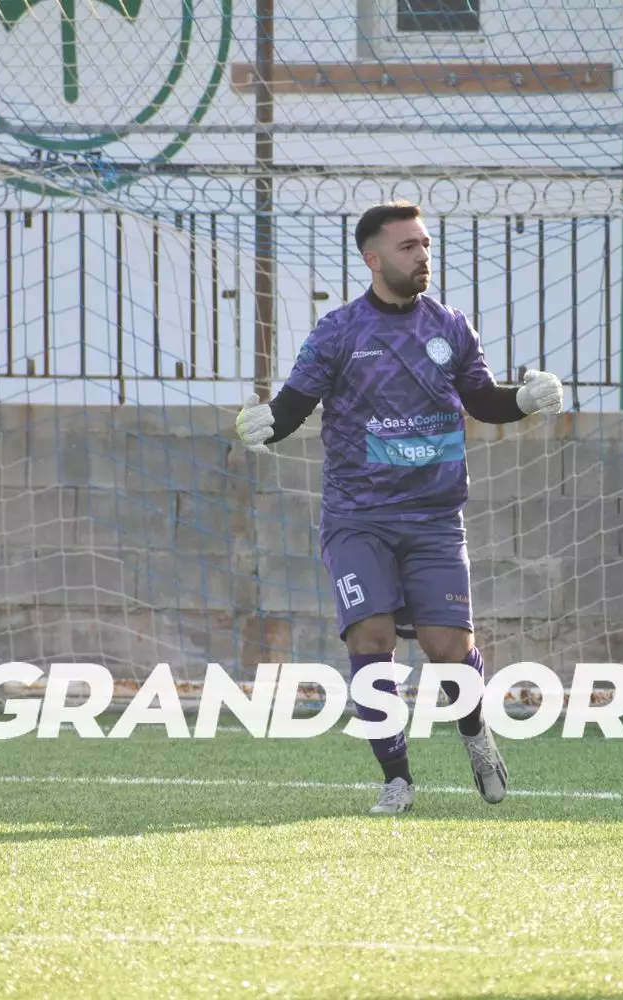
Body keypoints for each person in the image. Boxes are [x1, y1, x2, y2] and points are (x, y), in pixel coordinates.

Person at [234, 201, 564, 815]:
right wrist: (262, 426)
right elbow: (292, 406)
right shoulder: (339, 332)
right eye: (409, 246)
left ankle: (476, 736)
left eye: (425, 245)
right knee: (371, 633)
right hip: (358, 517)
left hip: (434, 518)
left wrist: (523, 400)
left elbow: (482, 401)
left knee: (447, 646)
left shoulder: (450, 327)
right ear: (373, 258)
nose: (422, 256)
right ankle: (398, 779)